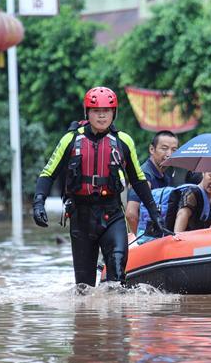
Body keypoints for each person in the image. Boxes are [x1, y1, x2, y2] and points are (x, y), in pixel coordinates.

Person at [32, 87, 165, 287]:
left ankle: (116, 315)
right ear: (87, 112)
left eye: (107, 110)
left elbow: (137, 179)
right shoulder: (70, 139)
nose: (102, 115)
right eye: (96, 110)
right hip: (81, 217)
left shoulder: (123, 141)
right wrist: (38, 203)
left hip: (112, 214)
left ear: (114, 113)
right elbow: (48, 173)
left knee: (118, 270)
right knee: (84, 286)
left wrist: (154, 211)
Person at [125, 130, 201, 235]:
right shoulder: (144, 176)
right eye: (164, 149)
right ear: (152, 149)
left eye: (174, 149)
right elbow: (131, 214)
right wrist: (142, 239)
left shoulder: (166, 177)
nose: (169, 154)